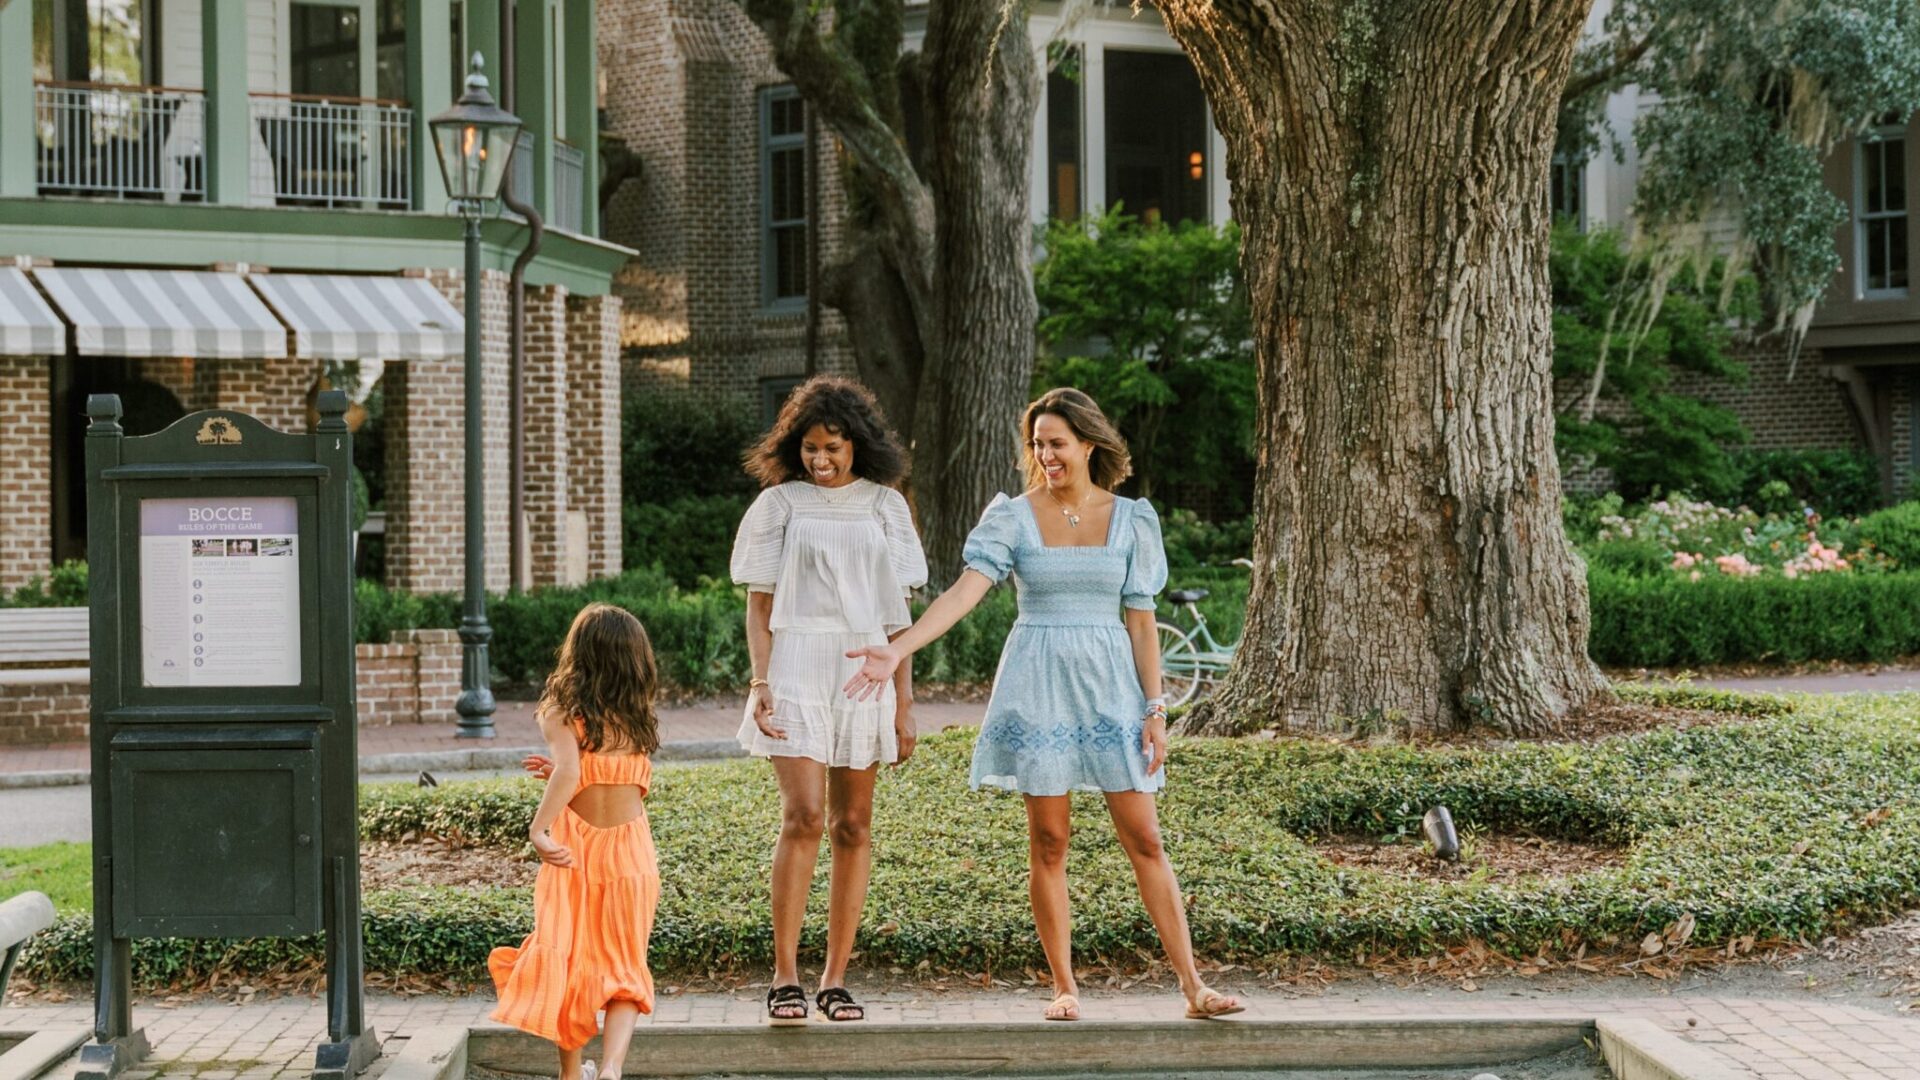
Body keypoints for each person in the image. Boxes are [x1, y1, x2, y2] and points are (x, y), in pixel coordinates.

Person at [843, 387, 1244, 1023]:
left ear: (1089, 444)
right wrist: (898, 651)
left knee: (1144, 836)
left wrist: (1155, 710)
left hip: (1111, 687)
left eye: (1057, 443)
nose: (1046, 455)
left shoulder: (1134, 519)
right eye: (1038, 445)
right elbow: (963, 594)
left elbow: (1142, 624)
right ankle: (1065, 986)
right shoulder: (1013, 516)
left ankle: (1194, 986)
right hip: (1039, 684)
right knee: (1050, 841)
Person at [729, 375, 928, 1025]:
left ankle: (836, 979)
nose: (821, 459)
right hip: (795, 665)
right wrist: (760, 684)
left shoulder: (884, 506)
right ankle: (785, 975)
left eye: (833, 448)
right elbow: (759, 608)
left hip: (864, 667)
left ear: (856, 444)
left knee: (852, 825)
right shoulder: (779, 505)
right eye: (811, 447)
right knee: (805, 815)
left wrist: (903, 704)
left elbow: (898, 621)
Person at [491, 603, 663, 1080]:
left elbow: (572, 770)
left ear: (577, 654)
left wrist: (538, 829)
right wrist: (569, 777)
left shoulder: (560, 712)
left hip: (577, 857)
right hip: (632, 856)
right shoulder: (637, 716)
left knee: (567, 963)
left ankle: (571, 1076)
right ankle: (609, 1071)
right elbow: (608, 779)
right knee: (625, 968)